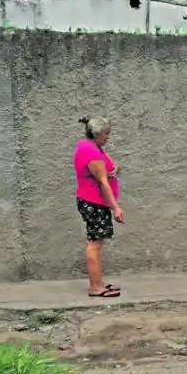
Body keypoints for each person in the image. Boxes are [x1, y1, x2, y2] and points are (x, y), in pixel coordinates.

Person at [74, 116, 124, 298]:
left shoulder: (92, 147)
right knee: (94, 244)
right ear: (96, 134)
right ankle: (95, 287)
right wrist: (116, 207)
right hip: (93, 202)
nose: (108, 136)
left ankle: (99, 283)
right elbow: (104, 183)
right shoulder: (92, 153)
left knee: (97, 243)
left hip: (93, 201)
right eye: (106, 133)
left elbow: (112, 166)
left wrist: (115, 169)